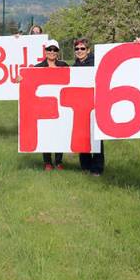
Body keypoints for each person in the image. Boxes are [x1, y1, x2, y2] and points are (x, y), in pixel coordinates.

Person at [34, 39, 69, 170]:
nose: (52, 52)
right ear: (45, 51)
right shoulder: (38, 67)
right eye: (49, 49)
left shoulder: (64, 65)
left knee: (60, 131)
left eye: (55, 50)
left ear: (58, 52)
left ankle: (59, 161)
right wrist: (21, 79)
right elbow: (28, 82)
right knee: (46, 132)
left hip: (61, 104)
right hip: (44, 104)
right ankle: (47, 162)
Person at [73, 38, 105, 176]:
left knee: (97, 137)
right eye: (77, 49)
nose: (79, 51)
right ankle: (85, 165)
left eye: (82, 49)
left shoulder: (96, 64)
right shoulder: (74, 68)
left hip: (95, 104)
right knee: (82, 135)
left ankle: (97, 167)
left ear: (88, 50)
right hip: (80, 106)